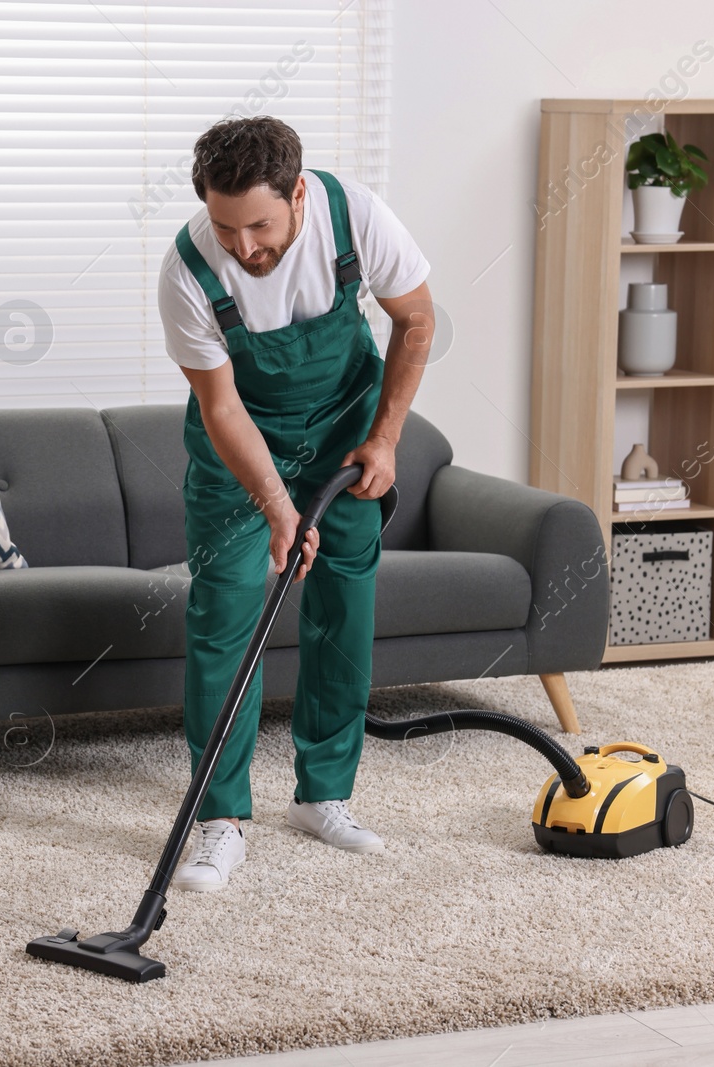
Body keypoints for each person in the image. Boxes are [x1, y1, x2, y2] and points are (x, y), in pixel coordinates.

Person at [155, 115, 434, 892]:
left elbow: (415, 320)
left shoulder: (357, 216)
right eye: (225, 225)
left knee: (344, 605)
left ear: (299, 194)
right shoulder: (186, 271)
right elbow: (222, 408)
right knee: (226, 614)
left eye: (261, 225)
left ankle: (324, 795)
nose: (244, 247)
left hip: (345, 432)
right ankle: (220, 818)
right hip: (240, 449)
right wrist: (278, 504)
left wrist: (384, 438)